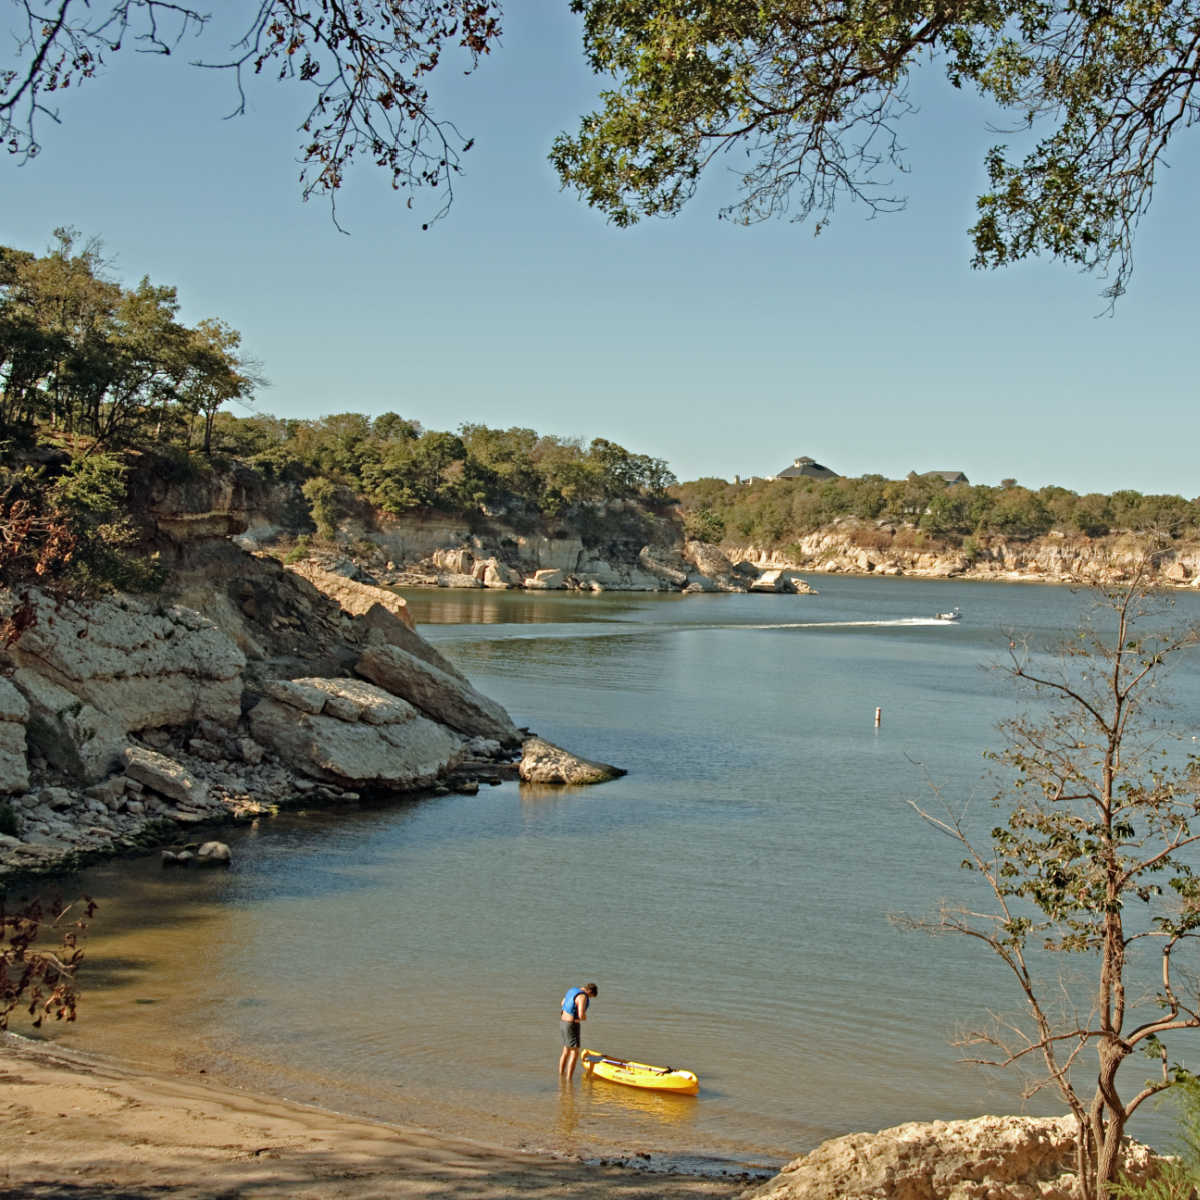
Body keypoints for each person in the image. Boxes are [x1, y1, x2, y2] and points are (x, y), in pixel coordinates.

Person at [558, 982, 598, 1078]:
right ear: (589, 991)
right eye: (591, 996)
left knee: (565, 1050)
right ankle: (569, 1079)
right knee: (574, 1053)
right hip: (572, 1025)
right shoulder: (583, 997)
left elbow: (562, 1003)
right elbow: (581, 1015)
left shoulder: (572, 990)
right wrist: (584, 1017)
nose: (589, 998)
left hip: (563, 1022)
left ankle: (561, 1075)